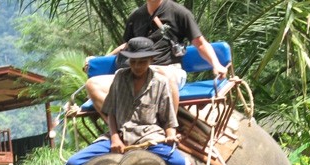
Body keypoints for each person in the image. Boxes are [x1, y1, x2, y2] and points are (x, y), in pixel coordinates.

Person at [66, 37, 191, 165]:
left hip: (150, 138)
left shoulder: (161, 82)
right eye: (133, 61)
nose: (137, 66)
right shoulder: (119, 77)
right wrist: (115, 139)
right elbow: (111, 112)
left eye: (142, 62)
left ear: (151, 60)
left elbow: (169, 119)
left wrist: (170, 136)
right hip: (120, 135)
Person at [85, 0, 227, 113]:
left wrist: (216, 64)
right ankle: (120, 128)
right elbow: (126, 46)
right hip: (135, 73)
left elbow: (200, 43)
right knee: (93, 85)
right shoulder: (136, 17)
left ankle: (170, 129)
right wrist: (98, 60)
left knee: (163, 74)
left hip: (168, 70)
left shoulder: (179, 13)